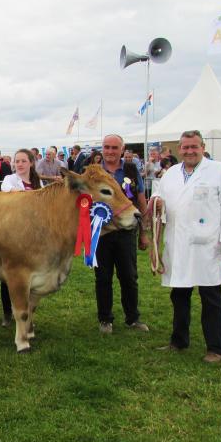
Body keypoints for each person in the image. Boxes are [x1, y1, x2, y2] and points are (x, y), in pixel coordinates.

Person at [154, 130, 221, 363]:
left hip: (208, 245)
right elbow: (158, 200)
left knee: (211, 295)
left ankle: (215, 348)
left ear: (202, 147)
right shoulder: (170, 174)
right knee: (179, 294)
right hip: (178, 243)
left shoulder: (217, 172)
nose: (189, 151)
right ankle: (179, 340)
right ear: (179, 149)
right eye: (185, 147)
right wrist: (157, 204)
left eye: (194, 147)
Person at [94, 134, 149, 334]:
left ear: (122, 149)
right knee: (103, 277)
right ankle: (105, 319)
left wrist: (144, 232)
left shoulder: (131, 170)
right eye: (106, 147)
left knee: (128, 276)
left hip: (127, 231)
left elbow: (141, 201)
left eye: (114, 148)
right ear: (102, 148)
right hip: (102, 232)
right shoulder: (94, 173)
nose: (110, 151)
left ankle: (132, 318)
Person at [0, 149, 42, 324]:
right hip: (14, 232)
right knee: (8, 275)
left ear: (31, 163)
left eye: (23, 161)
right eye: (17, 161)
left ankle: (28, 312)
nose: (20, 164)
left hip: (35, 234)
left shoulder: (38, 183)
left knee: (30, 274)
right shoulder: (9, 180)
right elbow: (7, 190)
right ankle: (8, 313)